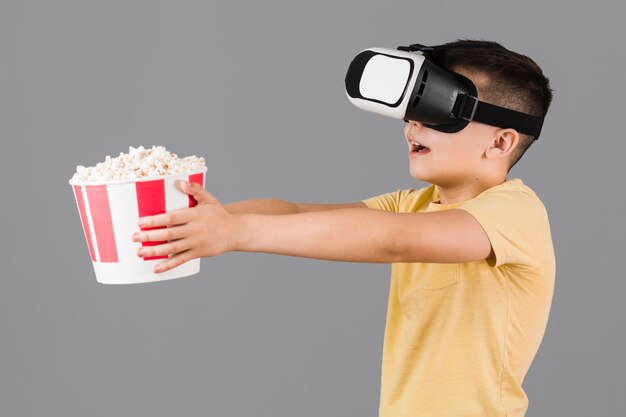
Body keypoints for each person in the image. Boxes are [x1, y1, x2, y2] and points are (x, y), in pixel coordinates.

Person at [131, 39, 555, 417]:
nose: (413, 126)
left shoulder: (515, 212)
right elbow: (297, 212)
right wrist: (207, 221)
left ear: (501, 142)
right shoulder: (413, 205)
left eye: (438, 113)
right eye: (411, 112)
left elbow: (394, 242)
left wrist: (236, 232)